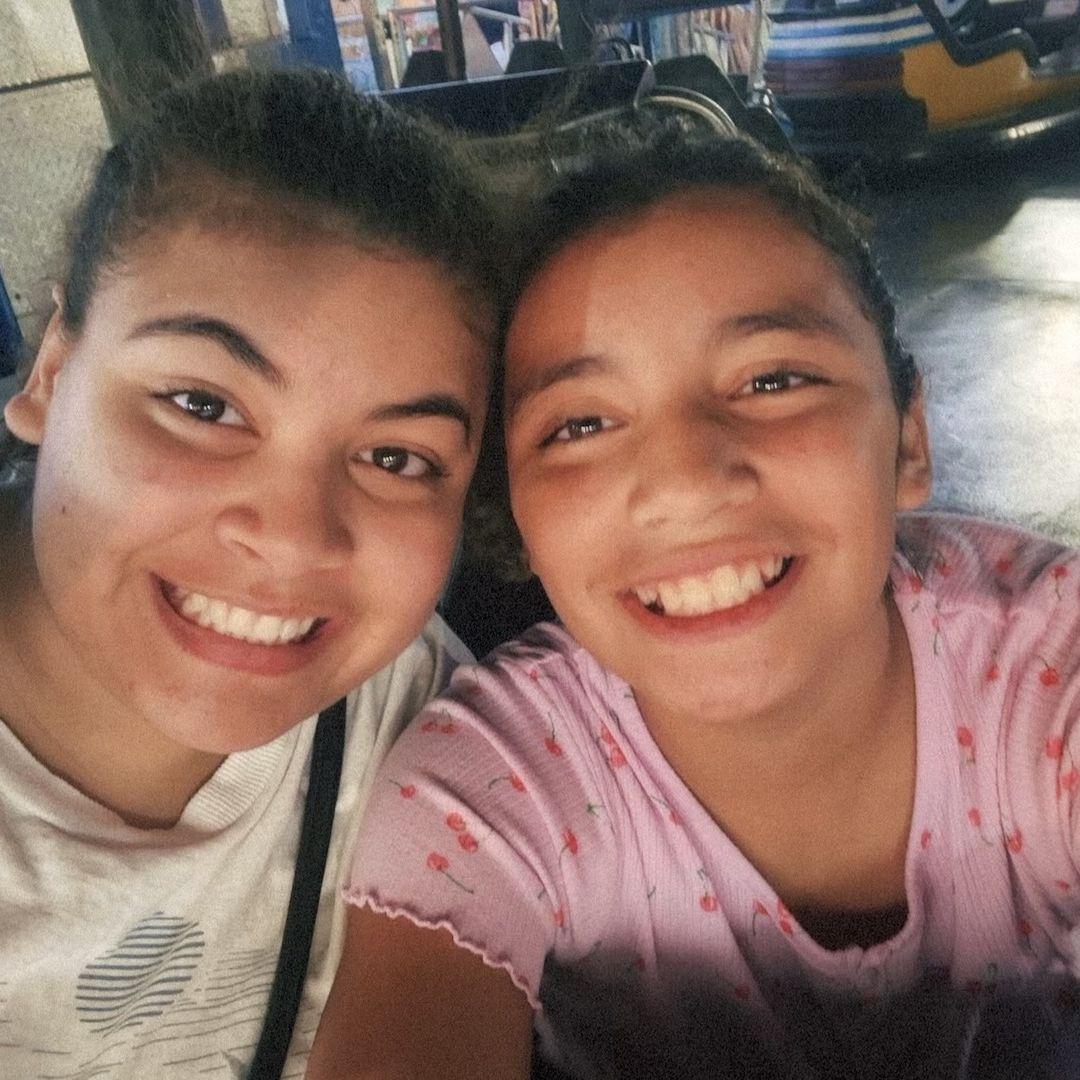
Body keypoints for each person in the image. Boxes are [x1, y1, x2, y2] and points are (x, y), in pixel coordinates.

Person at [309, 129, 1080, 1080]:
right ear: (521, 521)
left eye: (774, 379)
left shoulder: (1048, 668)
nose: (684, 483)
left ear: (908, 439)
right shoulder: (495, 786)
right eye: (581, 424)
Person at [0, 68, 498, 1077]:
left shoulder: (430, 731)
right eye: (203, 405)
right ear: (51, 374)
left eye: (395, 458)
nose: (293, 540)